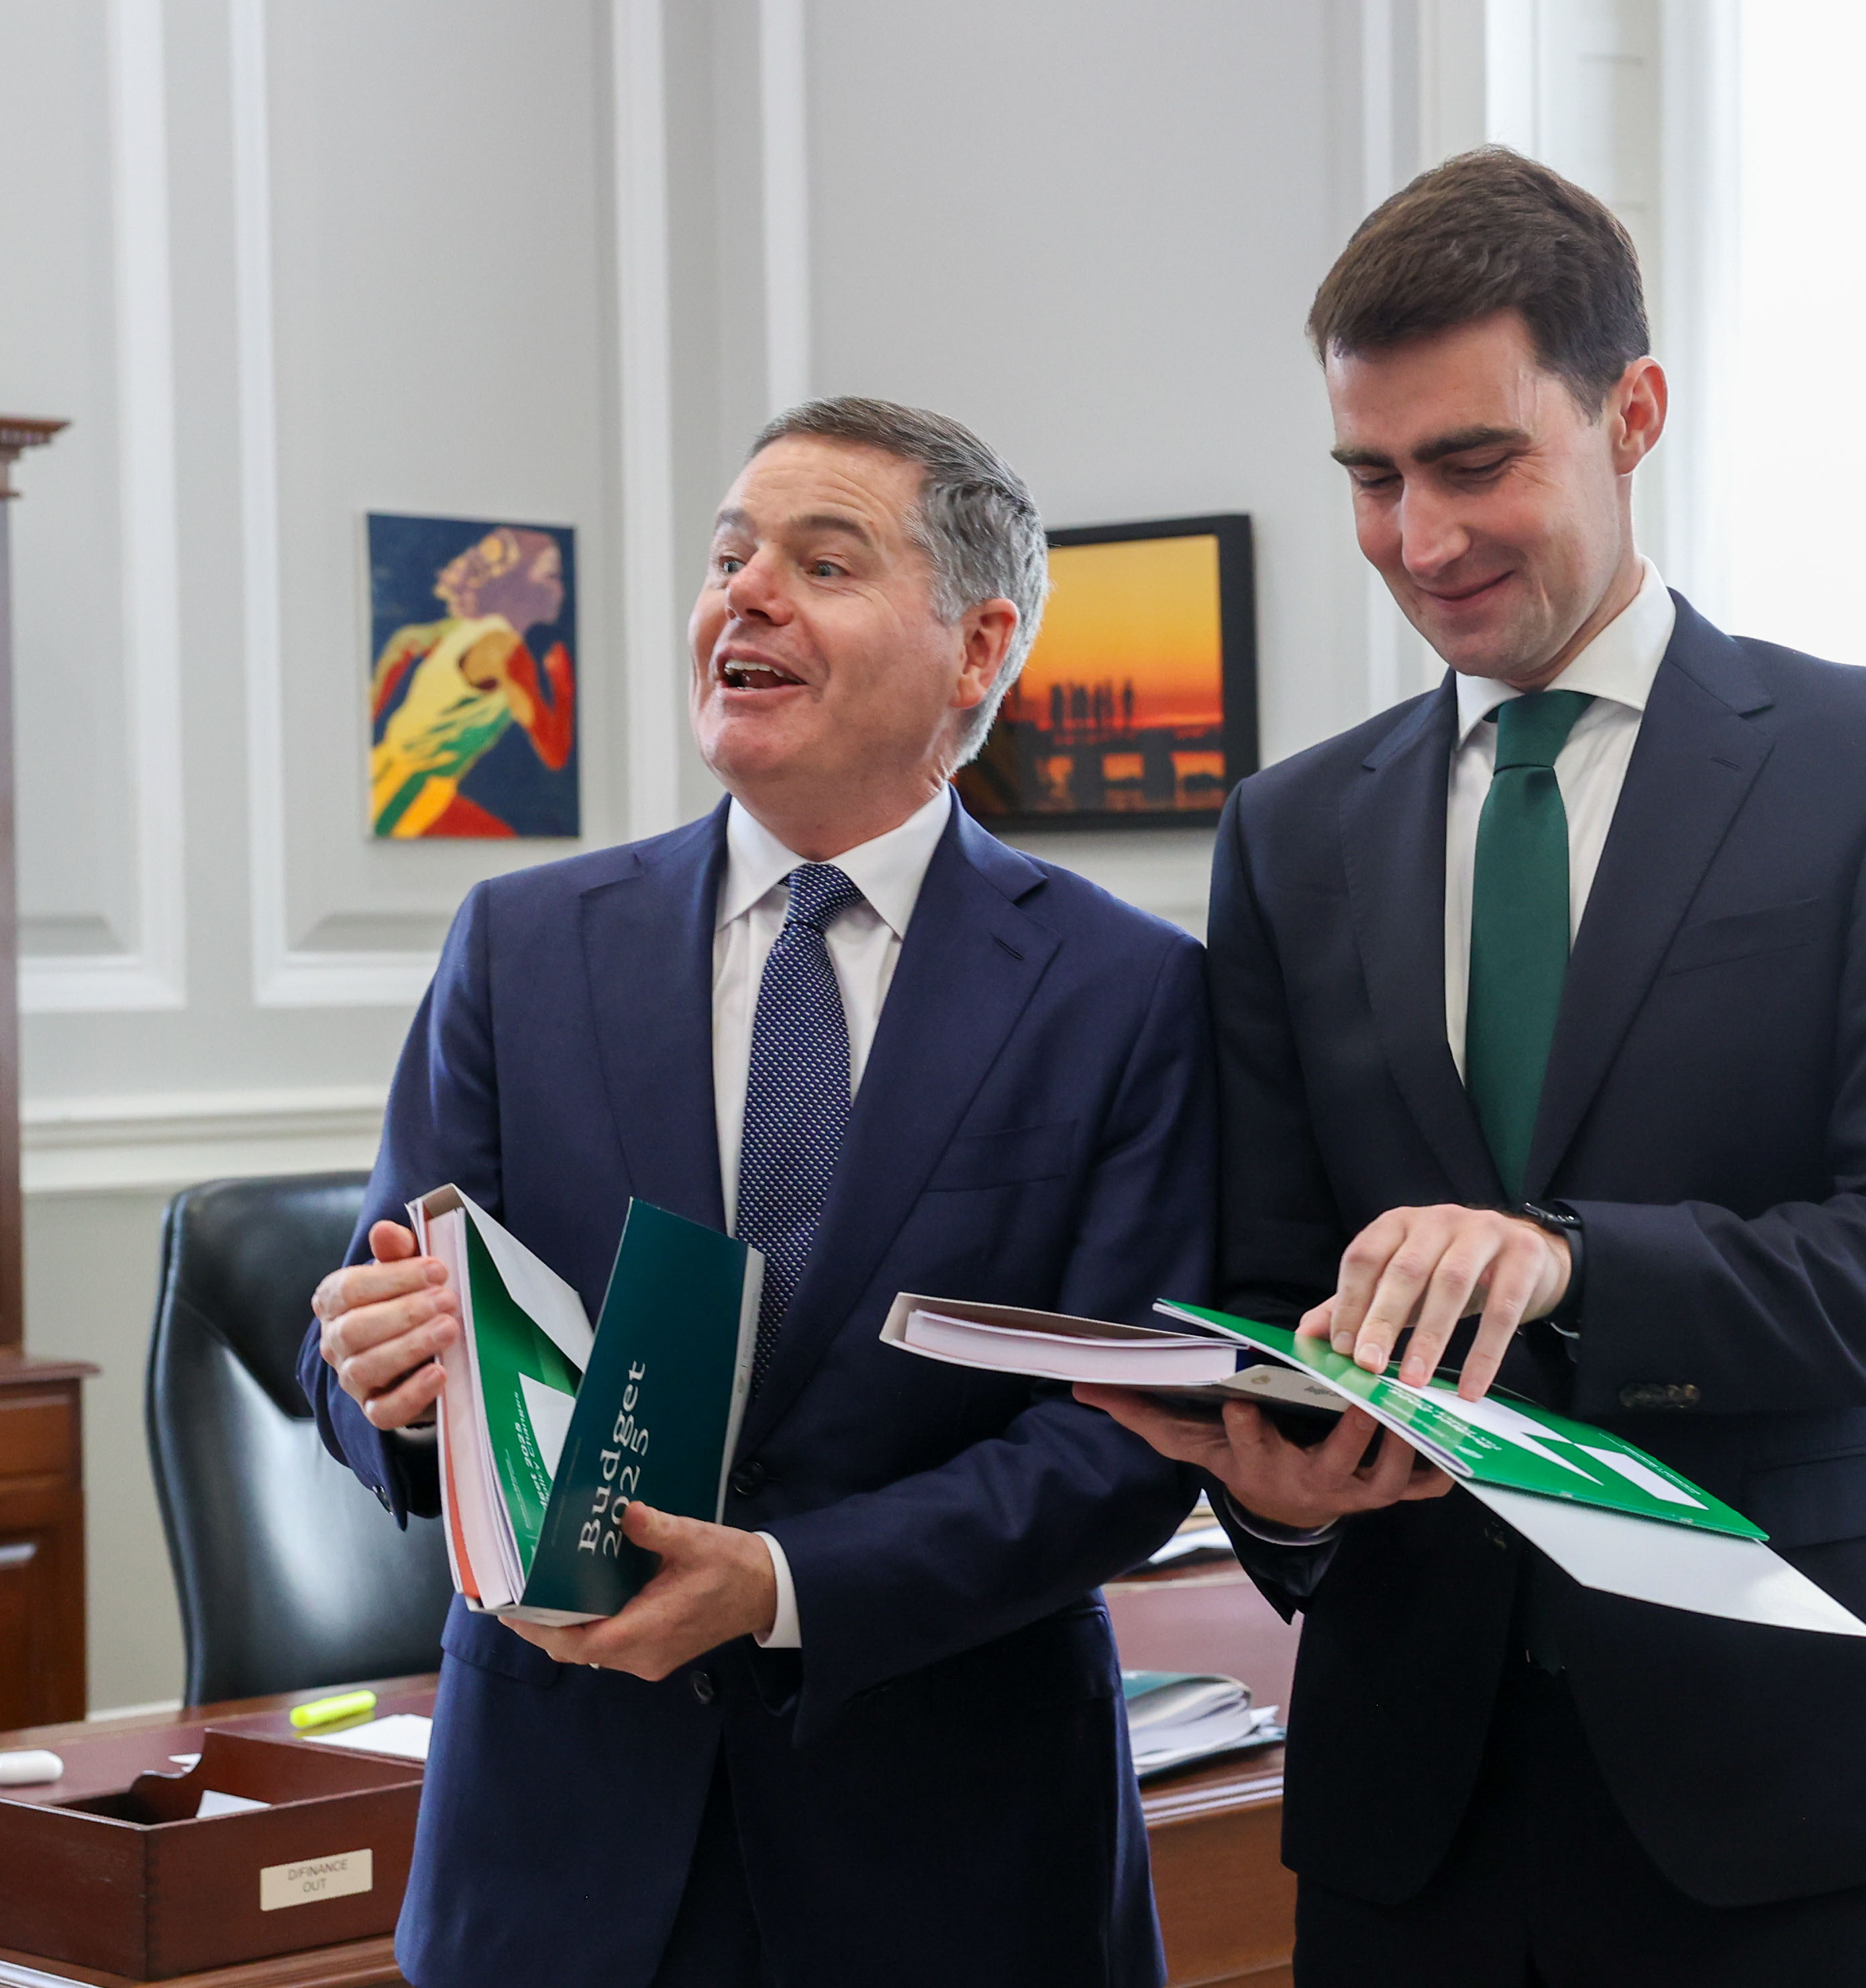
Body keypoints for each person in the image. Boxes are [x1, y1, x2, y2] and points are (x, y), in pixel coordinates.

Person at [1084, 150, 1866, 1985]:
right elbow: (1273, 1282)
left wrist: (1566, 1261)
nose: (1418, 538)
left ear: (1631, 414)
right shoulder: (1287, 833)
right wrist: (1275, 1485)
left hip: (1785, 1778)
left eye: (1472, 463)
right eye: (1370, 477)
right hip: (1407, 1804)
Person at [304, 397, 1212, 1988]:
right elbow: (383, 1332)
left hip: (951, 1859)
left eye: (822, 562)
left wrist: (785, 1586)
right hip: (560, 1855)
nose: (746, 595)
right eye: (728, 557)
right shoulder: (522, 947)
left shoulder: (1125, 989)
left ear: (976, 645)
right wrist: (370, 1368)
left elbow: (1124, 1433)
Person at [369, 523, 577, 837]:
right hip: (409, 794)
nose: (560, 589)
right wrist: (563, 685)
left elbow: (404, 642)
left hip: (385, 773)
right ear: (518, 584)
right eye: (551, 576)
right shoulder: (504, 650)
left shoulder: (463, 628)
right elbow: (555, 752)